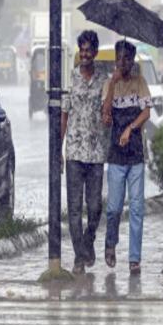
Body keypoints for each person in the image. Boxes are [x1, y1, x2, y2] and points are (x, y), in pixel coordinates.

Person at [60, 30, 109, 275]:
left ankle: (89, 240)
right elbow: (64, 113)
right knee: (75, 208)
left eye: (89, 50)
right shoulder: (71, 78)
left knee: (95, 206)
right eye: (82, 49)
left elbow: (108, 112)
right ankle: (79, 258)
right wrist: (59, 148)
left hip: (97, 152)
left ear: (96, 52)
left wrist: (108, 115)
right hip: (74, 153)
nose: (86, 54)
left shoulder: (104, 80)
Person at [101, 40, 152, 275]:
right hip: (115, 156)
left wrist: (130, 128)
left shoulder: (140, 82)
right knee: (113, 208)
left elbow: (146, 112)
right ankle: (110, 244)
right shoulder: (109, 84)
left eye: (128, 59)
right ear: (115, 60)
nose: (124, 63)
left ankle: (134, 258)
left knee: (137, 208)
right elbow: (105, 114)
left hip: (136, 157)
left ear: (133, 60)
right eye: (120, 59)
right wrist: (113, 82)